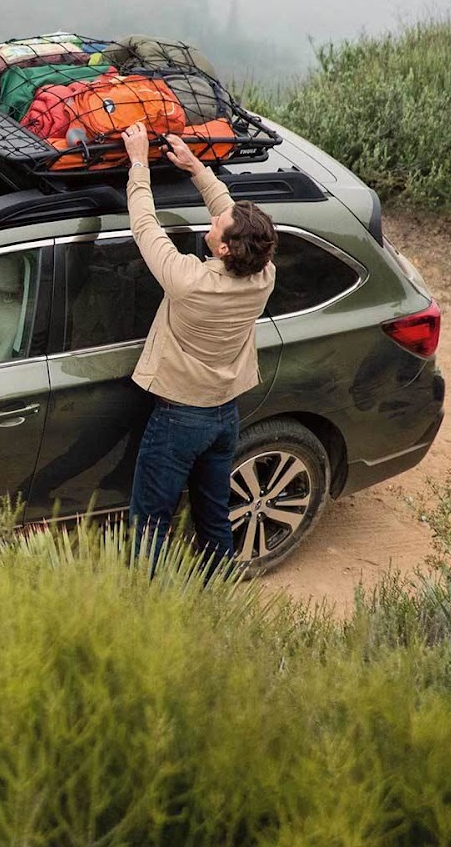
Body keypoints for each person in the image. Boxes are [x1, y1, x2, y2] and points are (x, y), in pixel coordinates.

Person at [120, 122, 278, 574]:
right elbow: (230, 214)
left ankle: (144, 598)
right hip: (224, 414)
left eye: (215, 227)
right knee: (213, 518)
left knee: (150, 522)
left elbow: (144, 225)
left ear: (225, 250)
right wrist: (195, 167)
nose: (212, 221)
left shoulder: (189, 281)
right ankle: (216, 591)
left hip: (180, 418)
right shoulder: (264, 275)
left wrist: (138, 163)